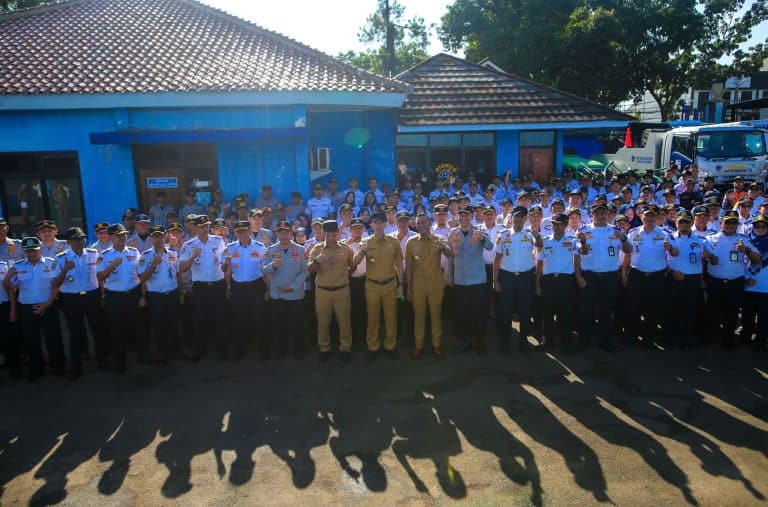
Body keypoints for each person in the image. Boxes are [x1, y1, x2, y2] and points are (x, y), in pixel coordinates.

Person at [4, 237, 64, 381]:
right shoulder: (17, 267)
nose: (31, 253)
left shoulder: (51, 263)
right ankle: (36, 369)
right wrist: (7, 280)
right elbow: (10, 288)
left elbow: (57, 286)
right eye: (28, 251)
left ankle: (58, 367)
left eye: (34, 250)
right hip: (27, 308)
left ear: (40, 249)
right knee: (31, 340)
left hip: (48, 305)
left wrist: (47, 304)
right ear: (24, 252)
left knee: (53, 338)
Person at [575, 203, 631, 351]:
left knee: (606, 311)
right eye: (597, 213)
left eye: (603, 213)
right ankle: (584, 341)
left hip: (609, 276)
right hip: (590, 275)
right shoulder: (584, 230)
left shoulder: (616, 230)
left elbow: (628, 250)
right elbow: (583, 253)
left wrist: (624, 239)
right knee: (587, 310)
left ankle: (604, 341)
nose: (600, 216)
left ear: (608, 215)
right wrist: (583, 242)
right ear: (592, 215)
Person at [623, 205, 679, 350]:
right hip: (637, 275)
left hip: (657, 277)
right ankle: (632, 338)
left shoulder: (665, 233)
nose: (649, 219)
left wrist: (670, 248)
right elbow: (628, 254)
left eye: (652, 216)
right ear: (642, 217)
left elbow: (675, 253)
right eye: (647, 216)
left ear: (657, 218)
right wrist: (624, 273)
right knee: (633, 308)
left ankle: (649, 340)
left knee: (652, 309)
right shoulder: (633, 232)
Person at [54, 227, 107, 378]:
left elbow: (99, 276)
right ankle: (76, 367)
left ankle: (102, 361)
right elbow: (56, 284)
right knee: (75, 333)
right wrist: (65, 269)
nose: (80, 242)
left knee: (98, 330)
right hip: (72, 299)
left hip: (92, 295)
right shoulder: (61, 258)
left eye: (82, 238)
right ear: (69, 241)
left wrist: (102, 295)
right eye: (76, 239)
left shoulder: (93, 253)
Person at [706, 210, 760, 348]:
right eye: (727, 222)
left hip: (735, 282)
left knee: (732, 312)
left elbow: (757, 260)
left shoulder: (744, 239)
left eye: (733, 222)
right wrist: (710, 258)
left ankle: (728, 337)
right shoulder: (711, 238)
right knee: (713, 311)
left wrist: (746, 250)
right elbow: (709, 260)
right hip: (715, 281)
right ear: (721, 223)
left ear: (737, 224)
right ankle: (712, 337)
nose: (730, 225)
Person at [354, 211, 404, 360]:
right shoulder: (366, 242)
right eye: (375, 222)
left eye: (382, 222)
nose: (379, 225)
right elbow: (355, 263)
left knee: (391, 317)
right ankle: (373, 347)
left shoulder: (393, 241)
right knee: (372, 318)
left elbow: (399, 263)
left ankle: (390, 345)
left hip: (390, 284)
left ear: (385, 224)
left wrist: (401, 284)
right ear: (371, 225)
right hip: (372, 286)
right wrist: (362, 252)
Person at [445, 204, 494, 355]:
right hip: (460, 280)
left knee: (478, 313)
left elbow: (490, 247)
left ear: (472, 216)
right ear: (458, 217)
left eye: (467, 215)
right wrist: (448, 275)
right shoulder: (453, 232)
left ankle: (480, 342)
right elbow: (450, 256)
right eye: (461, 215)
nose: (464, 218)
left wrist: (483, 239)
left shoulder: (480, 231)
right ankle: (465, 341)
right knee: (462, 313)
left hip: (477, 280)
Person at [493, 206, 541, 354]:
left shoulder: (531, 234)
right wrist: (496, 280)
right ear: (511, 217)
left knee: (525, 311)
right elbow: (497, 259)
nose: (519, 219)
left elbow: (540, 246)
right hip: (507, 277)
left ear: (526, 218)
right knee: (505, 310)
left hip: (526, 277)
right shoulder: (503, 235)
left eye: (522, 216)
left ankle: (523, 341)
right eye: (516, 216)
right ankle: (504, 341)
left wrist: (536, 234)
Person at [179, 215, 228, 360]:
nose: (204, 229)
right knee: (200, 320)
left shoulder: (218, 240)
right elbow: (181, 268)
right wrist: (193, 256)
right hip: (200, 287)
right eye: (201, 227)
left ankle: (222, 350)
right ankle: (200, 351)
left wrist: (226, 264)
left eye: (206, 226)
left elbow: (224, 262)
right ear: (195, 228)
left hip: (217, 285)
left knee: (220, 319)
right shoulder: (188, 245)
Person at [406, 213, 454, 359]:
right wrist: (408, 288)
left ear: (429, 223)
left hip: (436, 285)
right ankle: (418, 345)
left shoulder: (439, 239)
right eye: (419, 223)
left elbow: (450, 254)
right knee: (419, 317)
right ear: (416, 225)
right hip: (418, 285)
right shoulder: (411, 242)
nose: (421, 225)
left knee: (435, 316)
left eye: (424, 223)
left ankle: (436, 345)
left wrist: (444, 247)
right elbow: (408, 267)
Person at [96, 224, 142, 374]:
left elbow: (140, 274)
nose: (122, 238)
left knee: (139, 327)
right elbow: (100, 277)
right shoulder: (104, 255)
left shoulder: (134, 252)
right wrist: (112, 266)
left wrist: (143, 295)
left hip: (134, 294)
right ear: (110, 238)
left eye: (123, 235)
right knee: (117, 331)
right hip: (115, 297)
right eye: (118, 235)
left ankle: (144, 356)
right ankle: (120, 362)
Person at [665, 210, 712, 350]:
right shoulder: (668, 238)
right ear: (676, 223)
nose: (684, 225)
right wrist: (672, 272)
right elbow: (661, 260)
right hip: (673, 278)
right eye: (681, 222)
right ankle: (669, 339)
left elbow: (710, 261)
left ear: (691, 223)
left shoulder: (701, 240)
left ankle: (686, 339)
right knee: (671, 310)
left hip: (692, 280)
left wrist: (709, 257)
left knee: (689, 311)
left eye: (686, 222)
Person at [307, 220, 354, 361]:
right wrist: (316, 262)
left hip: (341, 290)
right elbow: (309, 269)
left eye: (334, 234)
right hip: (323, 291)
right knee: (323, 321)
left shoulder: (346, 249)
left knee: (344, 320)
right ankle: (324, 348)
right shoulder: (316, 249)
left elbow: (352, 267)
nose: (331, 237)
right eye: (328, 234)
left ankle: (345, 348)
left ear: (337, 233)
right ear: (324, 233)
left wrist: (342, 277)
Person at [262, 221, 308, 359]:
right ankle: (281, 351)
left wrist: (293, 286)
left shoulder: (300, 250)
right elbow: (263, 270)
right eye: (280, 232)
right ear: (277, 233)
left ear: (291, 233)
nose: (284, 235)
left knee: (297, 326)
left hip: (295, 295)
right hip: (278, 295)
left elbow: (305, 272)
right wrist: (273, 266)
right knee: (279, 326)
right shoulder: (270, 250)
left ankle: (299, 352)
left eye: (286, 232)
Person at [535, 213, 580, 352]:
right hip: (548, 280)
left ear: (566, 225)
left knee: (566, 313)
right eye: (554, 223)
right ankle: (548, 341)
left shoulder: (572, 240)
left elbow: (577, 259)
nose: (556, 226)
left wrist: (577, 275)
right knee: (547, 313)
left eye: (559, 224)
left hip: (566, 280)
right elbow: (539, 263)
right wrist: (537, 284)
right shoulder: (545, 241)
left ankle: (566, 344)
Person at [138, 225, 180, 366]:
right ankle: (162, 355)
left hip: (172, 294)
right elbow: (142, 279)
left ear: (165, 236)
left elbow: (178, 273)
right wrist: (153, 266)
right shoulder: (145, 256)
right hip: (156, 297)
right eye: (155, 236)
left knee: (174, 324)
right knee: (159, 327)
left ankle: (175, 352)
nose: (158, 239)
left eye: (161, 236)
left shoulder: (173, 253)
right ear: (150, 238)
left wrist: (180, 292)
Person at [390, 210, 416, 348]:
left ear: (409, 221)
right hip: (395, 279)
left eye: (405, 220)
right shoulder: (390, 237)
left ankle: (411, 335)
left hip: (411, 278)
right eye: (400, 220)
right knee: (398, 307)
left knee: (411, 307)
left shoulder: (415, 236)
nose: (403, 223)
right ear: (396, 222)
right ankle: (398, 333)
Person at [742, 214, 768, 352]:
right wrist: (746, 278)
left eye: (763, 226)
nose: (760, 228)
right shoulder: (745, 241)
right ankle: (745, 338)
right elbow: (740, 263)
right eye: (757, 226)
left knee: (764, 318)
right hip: (749, 286)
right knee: (747, 316)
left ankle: (761, 341)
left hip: (766, 287)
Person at [342, 218, 367, 343]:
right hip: (351, 281)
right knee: (352, 310)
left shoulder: (368, 243)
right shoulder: (344, 244)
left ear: (363, 229)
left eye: (360, 228)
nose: (357, 230)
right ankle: (353, 338)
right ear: (350, 230)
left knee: (365, 310)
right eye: (355, 228)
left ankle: (364, 337)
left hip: (366, 280)